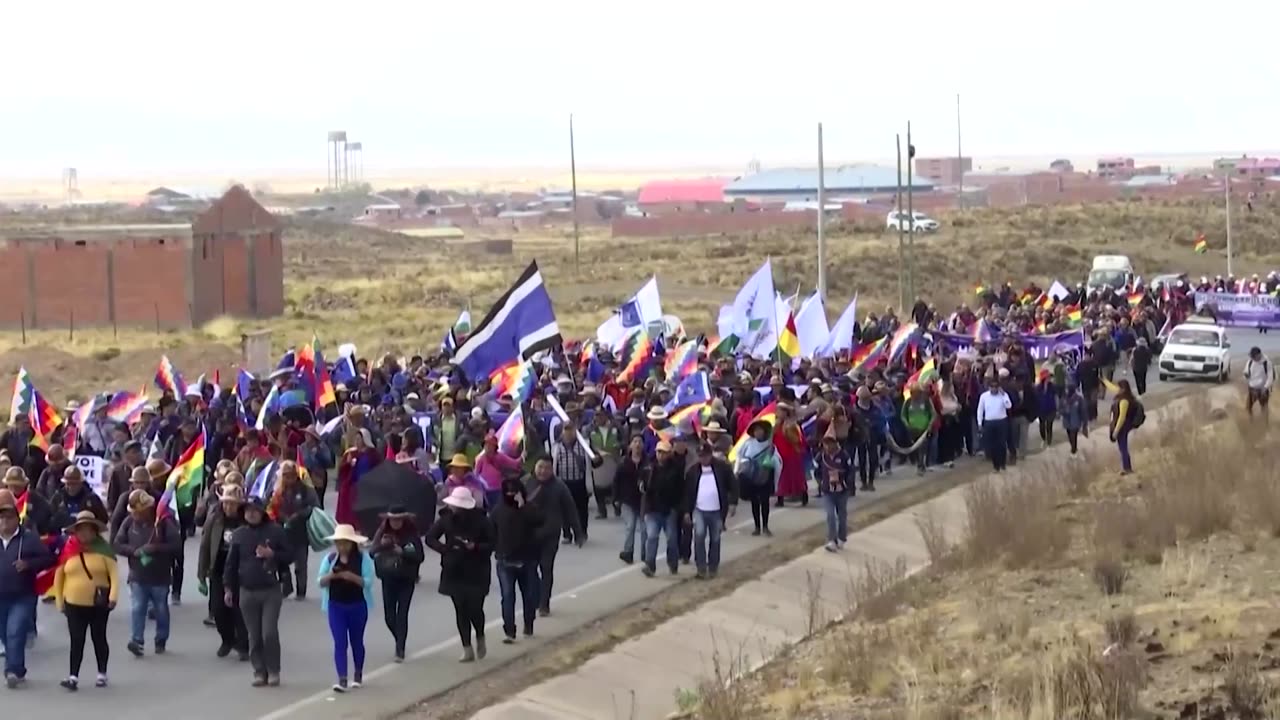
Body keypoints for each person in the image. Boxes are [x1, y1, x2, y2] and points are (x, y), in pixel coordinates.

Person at [224, 496, 291, 687]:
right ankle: (259, 671)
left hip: (270, 589)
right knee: (253, 635)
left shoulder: (275, 531)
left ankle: (274, 670)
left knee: (268, 632)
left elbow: (290, 555)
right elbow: (231, 564)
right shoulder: (239, 535)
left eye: (255, 510)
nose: (251, 514)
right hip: (247, 590)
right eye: (248, 510)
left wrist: (273, 555)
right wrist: (228, 588)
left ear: (262, 512)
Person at [424, 487, 495, 662]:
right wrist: (444, 549)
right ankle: (466, 647)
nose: (457, 509)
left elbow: (493, 543)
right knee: (460, 609)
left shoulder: (483, 521)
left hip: (477, 569)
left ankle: (479, 635)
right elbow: (430, 537)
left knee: (475, 608)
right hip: (454, 569)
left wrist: (476, 547)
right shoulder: (446, 520)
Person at [53, 510, 120, 691]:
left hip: (98, 604)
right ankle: (73, 676)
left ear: (94, 531)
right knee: (77, 640)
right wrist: (59, 600)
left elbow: (114, 575)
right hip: (73, 604)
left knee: (98, 638)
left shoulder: (104, 550)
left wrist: (113, 597)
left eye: (88, 530)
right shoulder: (69, 550)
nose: (84, 534)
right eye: (80, 530)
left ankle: (101, 673)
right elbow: (59, 577)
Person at [111, 490, 181, 657]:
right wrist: (133, 551)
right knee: (137, 608)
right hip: (137, 575)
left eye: (139, 512)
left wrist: (156, 548)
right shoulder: (128, 522)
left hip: (160, 576)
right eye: (133, 512)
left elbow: (176, 545)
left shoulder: (163, 523)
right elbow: (117, 544)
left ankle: (161, 639)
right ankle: (137, 641)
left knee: (161, 609)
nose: (135, 515)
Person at [0, 488, 54, 689]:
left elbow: (48, 558)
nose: (4, 522)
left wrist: (29, 564)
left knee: (15, 631)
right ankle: (19, 668)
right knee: (5, 633)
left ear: (17, 518)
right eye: (1, 518)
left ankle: (11, 670)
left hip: (23, 595)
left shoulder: (28, 538)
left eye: (8, 517)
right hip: (1, 596)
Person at [318, 524, 375, 693]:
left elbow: (369, 582)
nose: (342, 546)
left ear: (352, 543)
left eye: (345, 543)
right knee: (340, 642)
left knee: (357, 641)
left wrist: (351, 577)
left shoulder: (363, 559)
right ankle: (342, 678)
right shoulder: (330, 559)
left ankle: (358, 673)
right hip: (336, 605)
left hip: (357, 604)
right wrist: (332, 576)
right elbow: (320, 581)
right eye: (339, 543)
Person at [521, 457, 581, 616]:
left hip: (550, 534)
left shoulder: (559, 486)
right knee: (531, 569)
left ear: (552, 469)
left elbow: (570, 509)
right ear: (534, 467)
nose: (543, 471)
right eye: (540, 467)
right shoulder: (526, 483)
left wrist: (578, 532)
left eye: (547, 468)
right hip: (530, 534)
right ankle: (536, 597)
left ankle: (544, 604)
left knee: (546, 568)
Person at [198, 485, 248, 661]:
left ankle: (244, 645)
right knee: (218, 609)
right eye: (226, 503)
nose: (228, 507)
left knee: (240, 610)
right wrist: (201, 573)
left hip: (241, 572)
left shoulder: (247, 521)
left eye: (232, 504)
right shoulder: (215, 519)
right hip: (218, 570)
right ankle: (227, 640)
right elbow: (205, 546)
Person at [491, 477, 543, 643]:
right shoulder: (498, 510)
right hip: (505, 561)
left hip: (527, 560)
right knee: (507, 596)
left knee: (529, 596)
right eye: (508, 491)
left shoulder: (530, 508)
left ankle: (528, 624)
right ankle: (509, 631)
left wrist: (523, 506)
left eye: (515, 491)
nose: (511, 494)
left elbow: (538, 521)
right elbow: (491, 532)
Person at [369, 505, 423, 662]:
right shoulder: (382, 532)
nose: (395, 522)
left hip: (406, 578)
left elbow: (420, 556)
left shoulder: (411, 534)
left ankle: (400, 648)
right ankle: (399, 638)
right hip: (388, 577)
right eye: (392, 519)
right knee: (389, 617)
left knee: (402, 614)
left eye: (398, 519)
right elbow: (372, 552)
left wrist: (404, 552)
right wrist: (383, 545)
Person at [683, 443, 736, 579]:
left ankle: (713, 567)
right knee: (699, 536)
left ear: (710, 454)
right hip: (699, 510)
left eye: (705, 456)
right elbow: (688, 493)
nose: (703, 459)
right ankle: (701, 568)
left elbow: (733, 484)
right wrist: (687, 512)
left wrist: (732, 503)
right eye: (700, 456)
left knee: (715, 539)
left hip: (717, 510)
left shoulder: (722, 468)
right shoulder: (692, 471)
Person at [273, 461, 319, 601]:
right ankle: (286, 587)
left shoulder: (305, 489)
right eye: (285, 476)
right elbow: (272, 506)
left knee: (301, 563)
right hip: (283, 532)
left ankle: (301, 591)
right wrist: (281, 516)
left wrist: (299, 514)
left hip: (300, 532)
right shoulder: (278, 490)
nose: (288, 479)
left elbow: (314, 506)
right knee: (281, 561)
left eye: (291, 476)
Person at [641, 440, 685, 577]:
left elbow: (680, 489)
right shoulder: (649, 468)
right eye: (659, 452)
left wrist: (678, 508)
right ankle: (650, 565)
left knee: (671, 538)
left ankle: (672, 562)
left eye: (664, 452)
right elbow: (642, 485)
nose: (661, 455)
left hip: (669, 508)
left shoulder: (676, 469)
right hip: (652, 508)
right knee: (652, 536)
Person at [733, 418, 778, 536]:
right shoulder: (748, 443)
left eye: (760, 430)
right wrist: (738, 470)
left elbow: (777, 460)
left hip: (765, 475)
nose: (758, 432)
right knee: (754, 502)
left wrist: (770, 460)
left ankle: (766, 526)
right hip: (751, 476)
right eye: (756, 430)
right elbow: (739, 456)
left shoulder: (770, 444)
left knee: (765, 501)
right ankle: (757, 526)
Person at [551, 423, 593, 542]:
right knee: (564, 510)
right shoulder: (557, 446)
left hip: (579, 481)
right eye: (566, 429)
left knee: (581, 509)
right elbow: (554, 463)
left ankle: (581, 533)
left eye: (571, 429)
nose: (569, 432)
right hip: (563, 482)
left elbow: (593, 460)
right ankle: (567, 533)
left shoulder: (584, 445)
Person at [611, 435, 650, 564]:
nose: (637, 444)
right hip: (627, 500)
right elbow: (616, 481)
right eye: (635, 441)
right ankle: (628, 552)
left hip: (643, 501)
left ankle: (645, 553)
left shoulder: (648, 463)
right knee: (630, 526)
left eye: (640, 442)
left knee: (645, 529)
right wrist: (616, 498)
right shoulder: (624, 463)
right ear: (630, 445)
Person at [816, 429, 853, 552]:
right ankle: (831, 540)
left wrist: (845, 482)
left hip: (842, 491)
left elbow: (850, 471)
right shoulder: (821, 456)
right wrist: (820, 482)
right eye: (825, 443)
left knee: (842, 516)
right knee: (830, 515)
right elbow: (816, 470)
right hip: (828, 491)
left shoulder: (844, 455)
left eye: (830, 443)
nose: (827, 446)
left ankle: (842, 537)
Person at [976, 376, 1013, 472]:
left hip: (1001, 421)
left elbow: (1008, 405)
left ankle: (1002, 463)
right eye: (992, 387)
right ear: (989, 387)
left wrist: (1004, 395)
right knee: (992, 445)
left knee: (1001, 444)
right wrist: (980, 423)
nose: (994, 389)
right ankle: (996, 465)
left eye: (996, 387)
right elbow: (980, 410)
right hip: (989, 422)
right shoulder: (984, 396)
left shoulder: (1003, 395)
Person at [901, 385, 936, 475]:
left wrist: (930, 425)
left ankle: (920, 466)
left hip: (924, 429)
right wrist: (906, 424)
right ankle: (920, 464)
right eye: (912, 393)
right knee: (915, 448)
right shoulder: (908, 402)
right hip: (912, 430)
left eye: (916, 393)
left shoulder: (926, 401)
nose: (914, 395)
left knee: (922, 447)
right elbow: (903, 415)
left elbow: (933, 414)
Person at [1110, 379, 1138, 475]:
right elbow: (1112, 388)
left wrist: (1116, 431)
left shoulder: (1124, 401)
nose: (1116, 389)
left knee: (1123, 447)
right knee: (1122, 447)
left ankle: (1127, 468)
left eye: (1118, 388)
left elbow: (1122, 417)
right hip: (1124, 425)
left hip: (1123, 426)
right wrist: (1103, 380)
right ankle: (1126, 467)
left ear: (1123, 389)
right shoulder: (1124, 397)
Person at [1059, 382, 1090, 455]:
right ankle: (1073, 447)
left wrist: (1085, 422)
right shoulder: (1064, 397)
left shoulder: (1079, 398)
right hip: (1067, 421)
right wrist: (1064, 411)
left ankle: (1074, 450)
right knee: (1069, 436)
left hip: (1075, 421)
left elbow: (1083, 410)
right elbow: (1060, 408)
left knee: (1073, 436)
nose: (1067, 390)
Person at [1245, 346, 1275, 419]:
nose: (1252, 358)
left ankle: (1265, 425)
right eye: (1251, 356)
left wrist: (1265, 388)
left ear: (1259, 355)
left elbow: (1270, 377)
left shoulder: (1267, 363)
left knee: (1264, 409)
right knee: (1248, 407)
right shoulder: (1250, 361)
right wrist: (1246, 375)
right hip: (1252, 388)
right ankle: (1250, 422)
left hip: (1262, 389)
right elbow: (1246, 372)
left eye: (1254, 356)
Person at [1034, 371, 1058, 447]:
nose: (1049, 379)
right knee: (1042, 426)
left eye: (1049, 377)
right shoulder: (1038, 388)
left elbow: (1056, 395)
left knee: (1049, 425)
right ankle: (1044, 438)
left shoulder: (1053, 386)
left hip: (1051, 409)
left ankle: (1049, 441)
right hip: (1041, 410)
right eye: (1047, 377)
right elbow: (1036, 398)